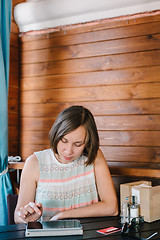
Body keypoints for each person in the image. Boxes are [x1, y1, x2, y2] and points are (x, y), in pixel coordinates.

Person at [14, 105, 118, 223]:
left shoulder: (94, 156)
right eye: (64, 141)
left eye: (78, 144)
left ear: (88, 142)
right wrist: (27, 218)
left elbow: (112, 207)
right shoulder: (34, 162)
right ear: (56, 134)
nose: (68, 151)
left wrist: (63, 215)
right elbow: (18, 217)